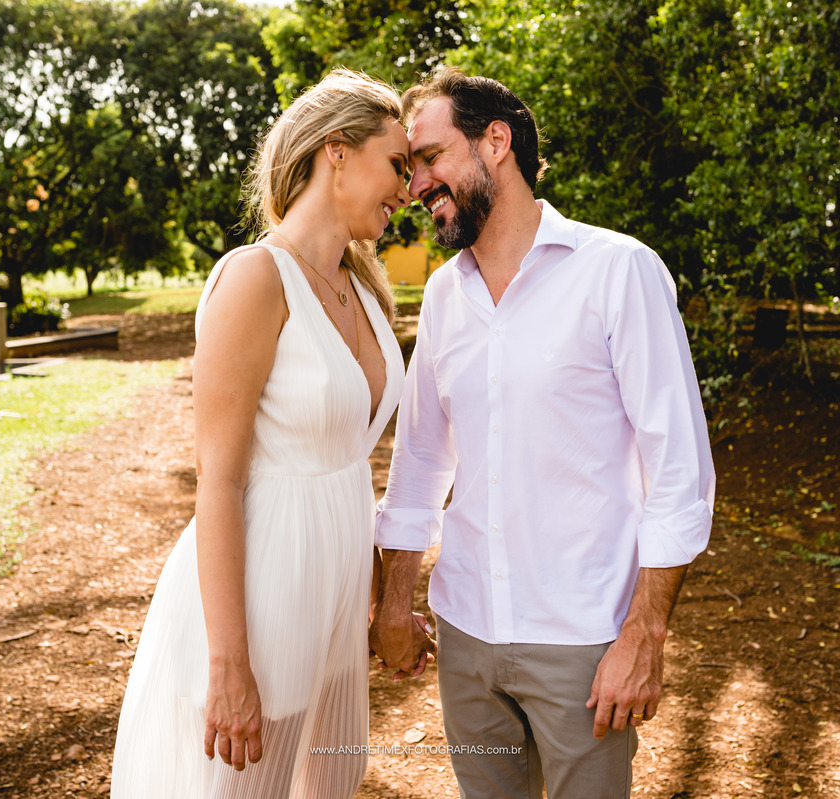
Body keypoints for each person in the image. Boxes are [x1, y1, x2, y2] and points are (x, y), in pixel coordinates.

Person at [369, 69, 717, 798]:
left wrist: (644, 635)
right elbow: (422, 457)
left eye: (430, 157)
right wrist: (395, 600)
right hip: (464, 631)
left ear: (495, 142)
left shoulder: (619, 271)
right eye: (409, 168)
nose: (415, 185)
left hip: (585, 638)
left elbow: (678, 470)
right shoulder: (441, 294)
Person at [112, 69, 413, 798]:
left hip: (336, 603)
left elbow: (349, 461)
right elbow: (218, 481)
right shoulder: (255, 278)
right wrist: (229, 665)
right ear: (336, 151)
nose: (407, 188)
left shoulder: (365, 286)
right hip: (265, 598)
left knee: (335, 779)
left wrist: (379, 599)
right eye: (398, 164)